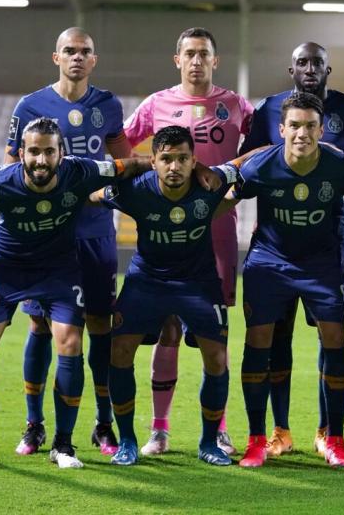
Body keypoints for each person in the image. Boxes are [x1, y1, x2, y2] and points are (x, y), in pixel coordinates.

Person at [0, 118, 149, 468]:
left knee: (70, 342)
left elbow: (126, 166)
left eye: (48, 152)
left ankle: (63, 445)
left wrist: (162, 161)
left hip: (58, 268)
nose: (41, 160)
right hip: (7, 264)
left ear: (61, 153)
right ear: (21, 154)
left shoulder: (80, 171)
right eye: (34, 152)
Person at [123, 27, 252, 456]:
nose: (197, 61)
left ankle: (219, 429)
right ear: (177, 59)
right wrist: (148, 176)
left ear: (216, 60)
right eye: (190, 54)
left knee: (215, 334)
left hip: (217, 230)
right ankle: (159, 430)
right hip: (168, 233)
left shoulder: (236, 105)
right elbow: (121, 145)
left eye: (204, 54)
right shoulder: (156, 104)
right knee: (168, 329)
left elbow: (265, 146)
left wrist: (224, 172)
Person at [240, 41, 344, 457]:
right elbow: (248, 160)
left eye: (317, 63)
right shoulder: (269, 108)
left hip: (329, 234)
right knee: (275, 333)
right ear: (291, 69)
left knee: (330, 332)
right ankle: (277, 430)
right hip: (276, 236)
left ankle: (327, 431)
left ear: (328, 69)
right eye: (302, 62)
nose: (310, 68)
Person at [5, 27, 131, 457]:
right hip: (47, 237)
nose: (77, 57)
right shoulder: (30, 106)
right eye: (69, 51)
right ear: (55, 57)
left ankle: (103, 423)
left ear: (94, 59)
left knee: (100, 325)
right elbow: (12, 167)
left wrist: (116, 192)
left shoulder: (108, 105)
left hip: (95, 233)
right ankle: (34, 425)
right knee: (40, 325)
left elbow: (122, 162)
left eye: (85, 51)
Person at [93, 126, 233, 467]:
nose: (174, 166)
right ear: (153, 160)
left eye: (183, 159)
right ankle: (128, 440)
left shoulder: (211, 185)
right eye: (166, 159)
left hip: (198, 282)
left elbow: (250, 164)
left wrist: (214, 174)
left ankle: (209, 442)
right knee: (119, 351)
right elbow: (93, 194)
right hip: (147, 280)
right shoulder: (135, 190)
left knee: (217, 358)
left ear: (194, 161)